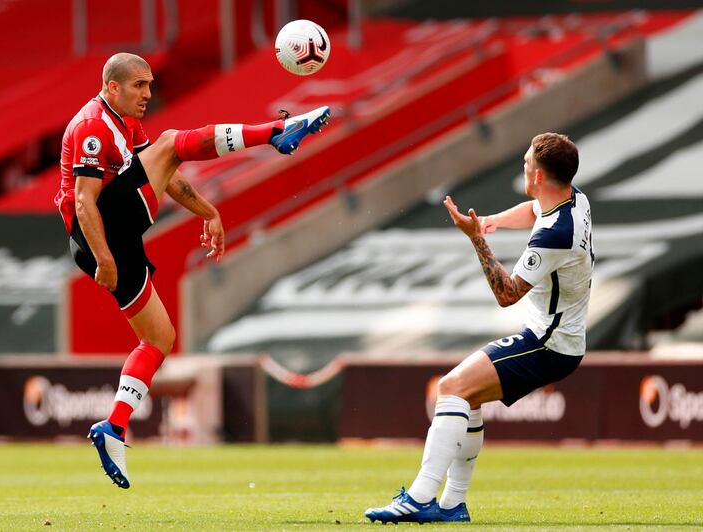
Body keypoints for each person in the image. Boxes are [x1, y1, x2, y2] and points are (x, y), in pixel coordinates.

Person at [54, 52, 331, 489]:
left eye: (149, 85)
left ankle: (114, 427)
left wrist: (208, 210)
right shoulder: (92, 126)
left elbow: (166, 174)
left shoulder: (125, 123)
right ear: (112, 88)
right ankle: (277, 131)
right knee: (170, 141)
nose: (148, 93)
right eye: (139, 85)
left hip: (115, 239)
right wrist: (104, 259)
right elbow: (85, 201)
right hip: (101, 235)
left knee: (159, 338)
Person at [365, 133, 593, 524]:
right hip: (557, 337)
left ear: (538, 175)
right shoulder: (575, 200)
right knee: (465, 397)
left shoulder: (555, 234)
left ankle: (421, 497)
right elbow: (534, 210)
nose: (523, 167)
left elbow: (507, 294)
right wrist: (490, 223)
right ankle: (452, 504)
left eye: (525, 163)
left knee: (451, 388)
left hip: (549, 343)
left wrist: (476, 242)